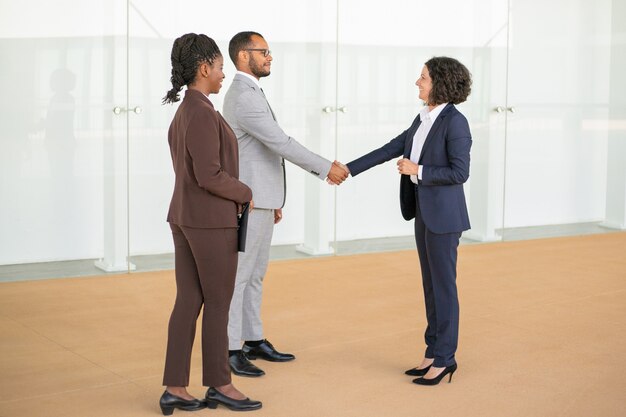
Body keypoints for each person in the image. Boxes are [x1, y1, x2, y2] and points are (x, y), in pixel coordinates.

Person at [222, 31, 349, 377]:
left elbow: (261, 150)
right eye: (263, 52)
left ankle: (251, 338)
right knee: (240, 276)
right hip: (249, 199)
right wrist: (326, 168)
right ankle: (230, 347)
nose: (270, 57)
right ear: (244, 56)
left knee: (256, 275)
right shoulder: (242, 95)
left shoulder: (251, 92)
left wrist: (274, 198)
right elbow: (280, 142)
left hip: (261, 198)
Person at [344, 56, 472, 386]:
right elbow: (392, 147)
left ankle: (446, 359)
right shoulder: (423, 119)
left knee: (444, 288)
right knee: (431, 287)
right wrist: (347, 169)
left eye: (424, 77)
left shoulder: (455, 123)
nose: (418, 82)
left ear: (440, 82)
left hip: (444, 218)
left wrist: (419, 171)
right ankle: (433, 351)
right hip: (424, 213)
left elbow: (460, 172)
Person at [159, 33, 261, 414]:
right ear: (204, 68)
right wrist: (246, 191)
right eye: (219, 67)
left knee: (188, 301)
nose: (222, 75)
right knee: (219, 303)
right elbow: (209, 174)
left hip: (185, 217)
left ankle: (175, 388)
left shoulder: (187, 110)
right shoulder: (201, 112)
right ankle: (220, 384)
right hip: (209, 222)